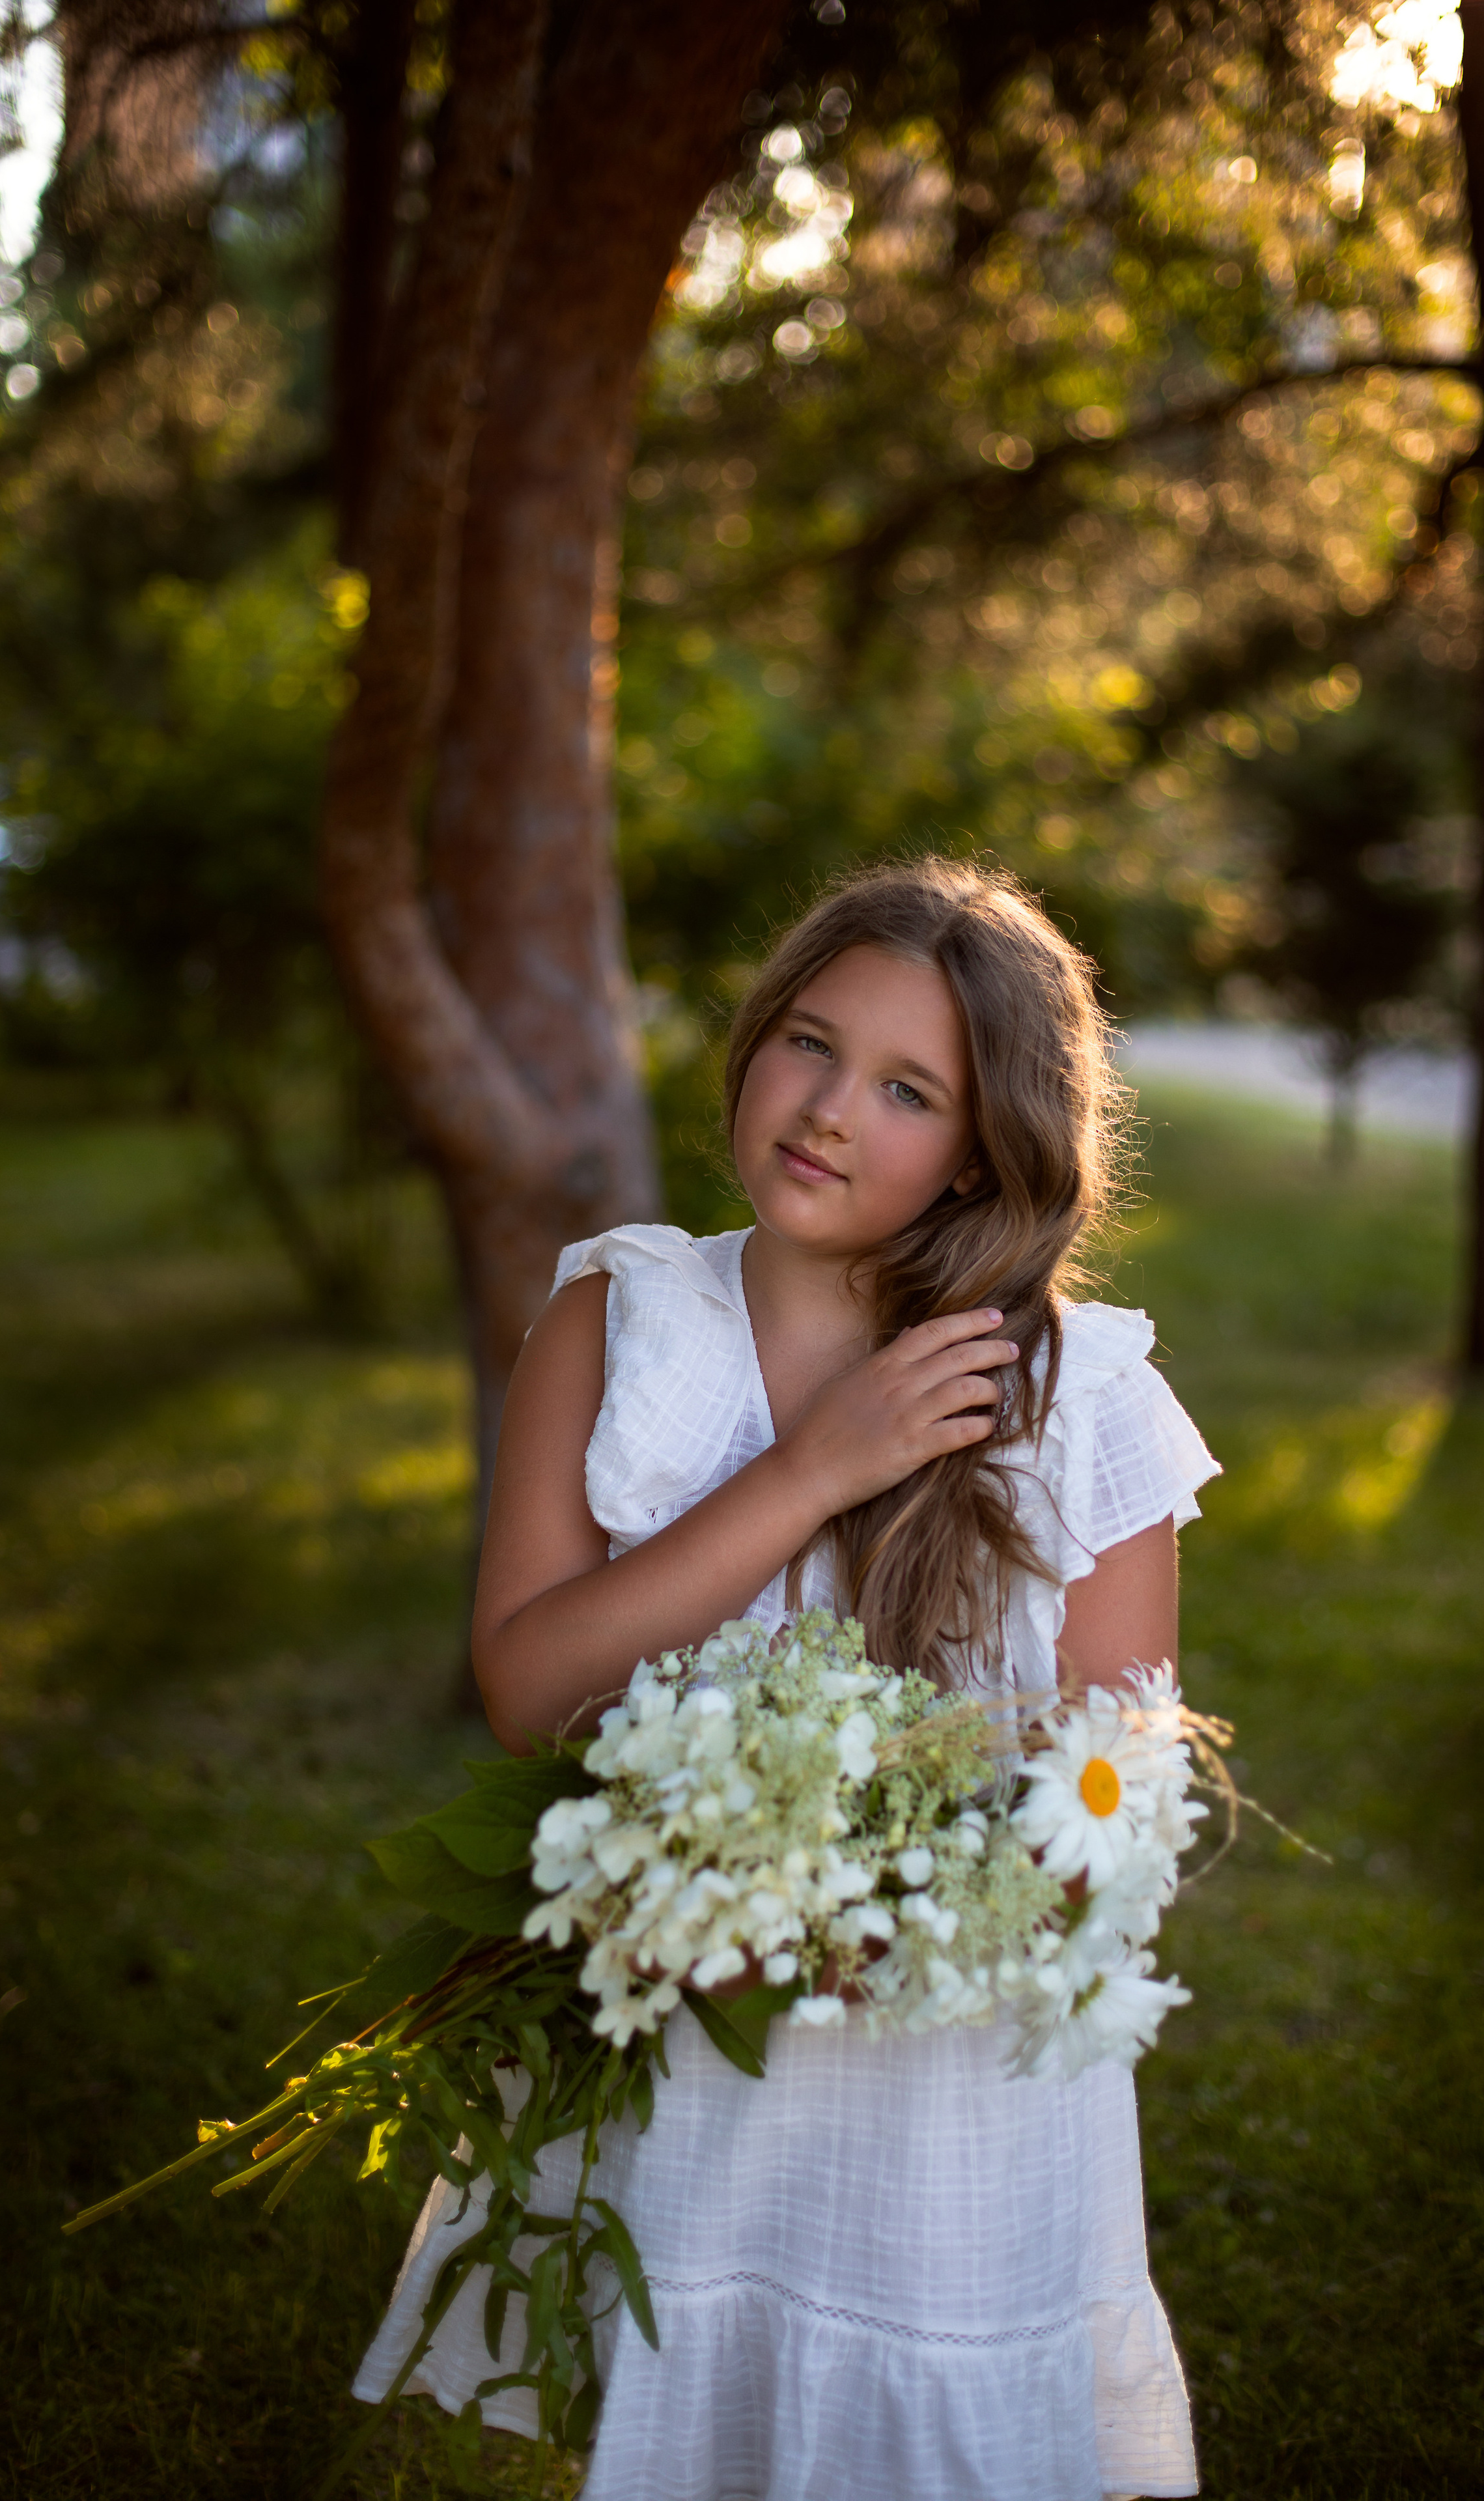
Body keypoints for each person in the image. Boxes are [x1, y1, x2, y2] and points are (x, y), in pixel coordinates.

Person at [355, 856, 1218, 2500]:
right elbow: (529, 1689)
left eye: (906, 1090)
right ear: (752, 1043)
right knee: (704, 2425)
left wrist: (836, 1943)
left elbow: (1119, 1795)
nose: (826, 1110)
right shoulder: (620, 1319)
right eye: (808, 1044)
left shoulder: (1078, 1397)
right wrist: (810, 1471)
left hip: (946, 2075)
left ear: (981, 1151)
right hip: (688, 2039)